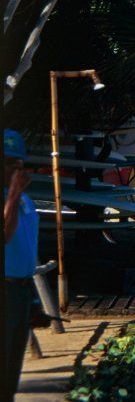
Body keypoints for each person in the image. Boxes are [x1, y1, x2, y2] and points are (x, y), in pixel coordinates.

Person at [4, 129, 38, 401]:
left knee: (12, 370)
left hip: (22, 291)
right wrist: (12, 195)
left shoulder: (25, 199)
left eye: (19, 164)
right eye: (8, 163)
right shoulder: (14, 197)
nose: (15, 169)